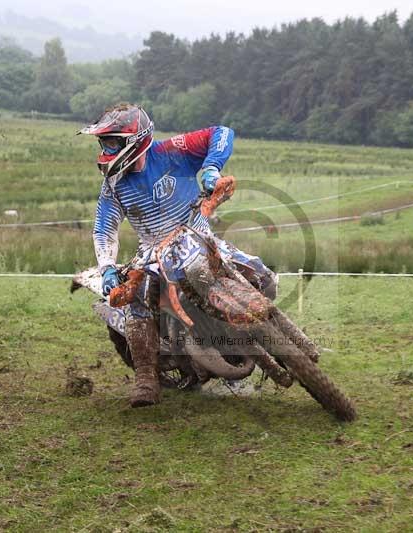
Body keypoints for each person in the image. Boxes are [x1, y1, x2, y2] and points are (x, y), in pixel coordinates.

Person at [79, 103, 277, 408]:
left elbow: (221, 133)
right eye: (103, 142)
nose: (105, 149)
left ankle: (247, 338)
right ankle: (146, 378)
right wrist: (106, 267)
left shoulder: (171, 152)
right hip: (152, 253)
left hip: (200, 238)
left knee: (262, 276)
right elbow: (104, 229)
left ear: (133, 140)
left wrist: (211, 168)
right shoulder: (114, 186)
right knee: (137, 299)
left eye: (111, 142)